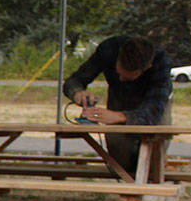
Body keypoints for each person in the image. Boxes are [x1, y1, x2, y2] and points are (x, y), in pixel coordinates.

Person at [62, 35, 174, 174]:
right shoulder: (109, 49)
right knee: (119, 162)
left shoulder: (161, 61)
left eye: (127, 77)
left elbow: (153, 113)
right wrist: (77, 92)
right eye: (118, 73)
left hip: (155, 102)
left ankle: (147, 180)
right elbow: (73, 81)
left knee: (153, 162)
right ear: (117, 57)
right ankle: (128, 180)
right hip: (119, 97)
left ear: (147, 67)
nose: (120, 79)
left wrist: (119, 117)